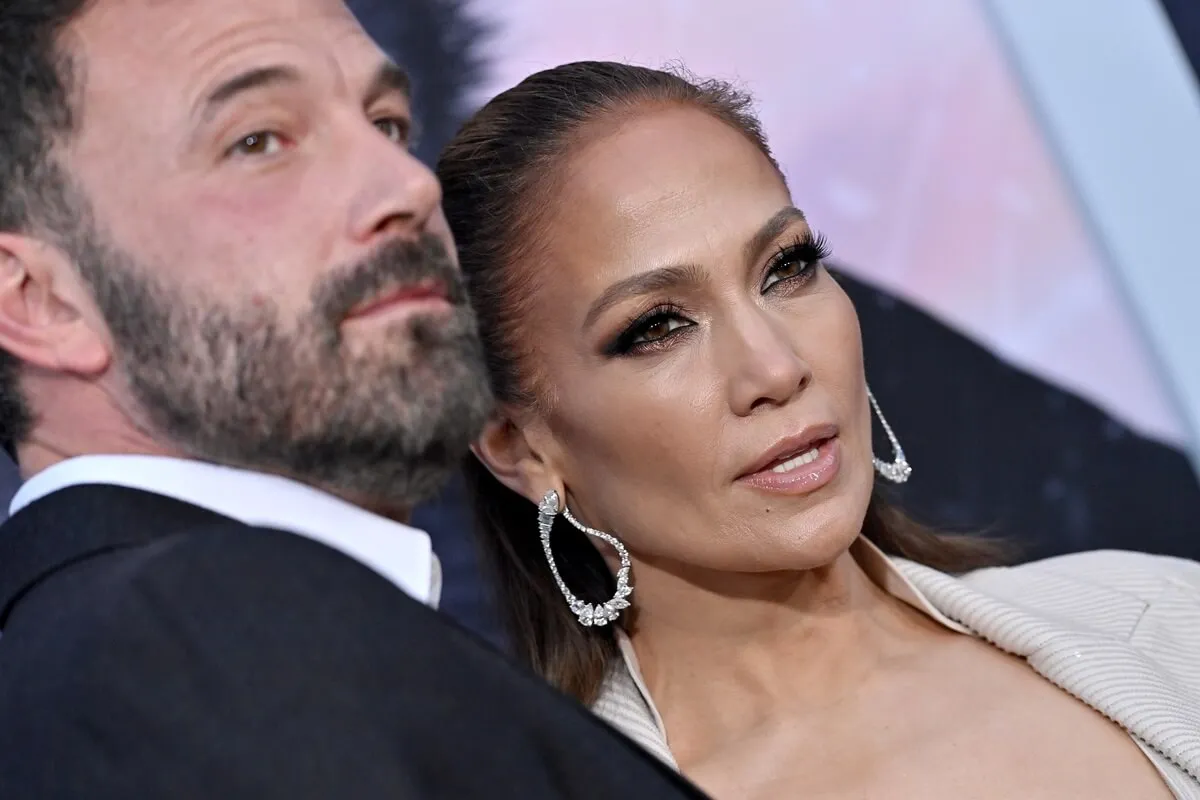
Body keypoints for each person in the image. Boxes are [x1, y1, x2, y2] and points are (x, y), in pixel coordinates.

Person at [436, 61, 1200, 799]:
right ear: (518, 446)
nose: (775, 368)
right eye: (657, 327)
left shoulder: (1168, 620)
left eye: (787, 266)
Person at [0, 4, 709, 798]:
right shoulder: (188, 639)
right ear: (41, 302)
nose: (409, 184)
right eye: (258, 140)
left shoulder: (115, 657)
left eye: (390, 124)